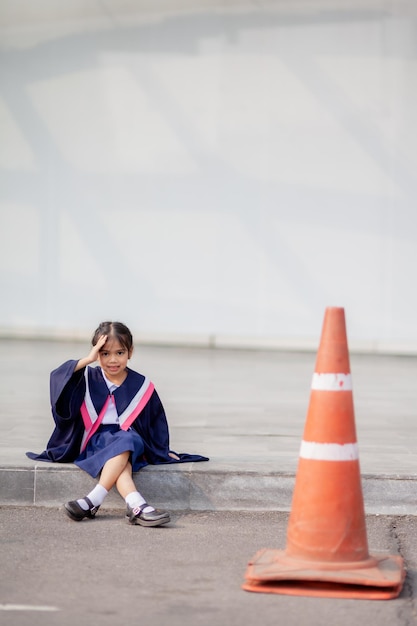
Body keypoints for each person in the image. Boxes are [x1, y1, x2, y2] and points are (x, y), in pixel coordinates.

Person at [27, 321, 208, 527]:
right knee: (123, 454)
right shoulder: (88, 378)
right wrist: (88, 359)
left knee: (127, 439)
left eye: (120, 353)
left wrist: (162, 450)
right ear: (97, 354)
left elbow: (154, 423)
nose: (113, 360)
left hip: (130, 440)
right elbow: (58, 378)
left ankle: (93, 501)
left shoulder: (141, 384)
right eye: (105, 354)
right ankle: (136, 505)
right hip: (97, 442)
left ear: (130, 352)